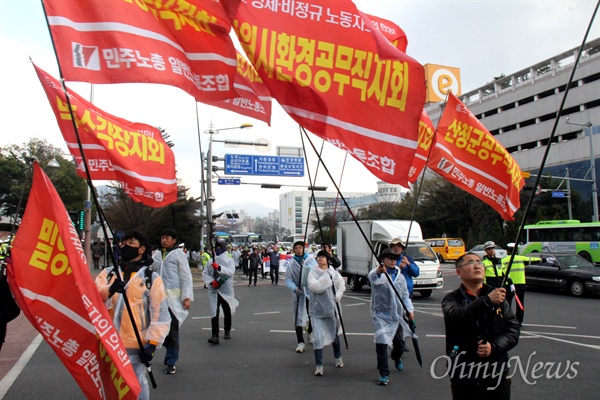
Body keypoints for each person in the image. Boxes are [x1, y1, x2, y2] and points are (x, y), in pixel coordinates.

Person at [95, 230, 170, 400]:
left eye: (131, 243)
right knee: (109, 386)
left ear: (142, 249)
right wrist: (110, 289)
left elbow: (160, 314)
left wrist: (151, 343)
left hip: (135, 344)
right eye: (124, 243)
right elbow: (93, 295)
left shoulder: (152, 278)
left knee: (136, 387)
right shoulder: (109, 274)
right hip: (108, 343)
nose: (125, 246)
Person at [442, 252, 520, 399]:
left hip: (496, 369)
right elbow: (457, 317)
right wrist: (487, 301)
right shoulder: (452, 299)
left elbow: (513, 329)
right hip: (464, 370)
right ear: (459, 271)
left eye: (479, 262)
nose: (477, 265)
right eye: (470, 262)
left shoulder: (498, 296)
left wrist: (494, 347)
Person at [369, 248, 414, 386]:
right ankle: (384, 373)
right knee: (381, 343)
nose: (393, 260)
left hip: (397, 315)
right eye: (389, 258)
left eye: (395, 258)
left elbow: (405, 296)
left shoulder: (400, 277)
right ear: (383, 260)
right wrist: (378, 271)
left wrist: (409, 310)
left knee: (399, 344)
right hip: (380, 315)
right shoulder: (378, 273)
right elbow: (372, 277)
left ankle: (396, 357)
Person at [151, 228, 194, 374]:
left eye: (167, 238)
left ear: (174, 240)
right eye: (162, 237)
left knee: (173, 331)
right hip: (158, 300)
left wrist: (186, 297)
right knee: (159, 329)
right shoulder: (157, 255)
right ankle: (168, 351)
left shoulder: (178, 255)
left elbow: (186, 276)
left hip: (173, 300)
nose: (164, 240)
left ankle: (171, 361)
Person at [308, 250, 346, 376]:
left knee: (333, 334)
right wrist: (326, 277)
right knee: (318, 338)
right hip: (317, 309)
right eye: (318, 256)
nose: (320, 259)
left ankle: (338, 357)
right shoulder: (312, 273)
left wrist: (337, 297)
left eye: (323, 256)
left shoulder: (334, 273)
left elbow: (341, 285)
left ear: (328, 259)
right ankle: (319, 365)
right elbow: (314, 287)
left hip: (331, 309)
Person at [203, 241, 238, 344]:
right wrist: (211, 281)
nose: (217, 249)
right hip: (214, 290)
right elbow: (205, 273)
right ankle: (215, 334)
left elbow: (230, 272)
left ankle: (227, 330)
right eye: (216, 247)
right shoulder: (210, 261)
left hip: (225, 290)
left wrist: (219, 268)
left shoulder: (229, 260)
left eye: (219, 247)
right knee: (214, 311)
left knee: (226, 309)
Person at [285, 240, 317, 353]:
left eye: (301, 248)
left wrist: (307, 268)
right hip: (299, 294)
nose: (299, 250)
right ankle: (300, 342)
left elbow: (316, 273)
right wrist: (295, 288)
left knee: (312, 314)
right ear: (293, 250)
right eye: (296, 248)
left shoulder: (311, 260)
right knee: (298, 317)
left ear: (304, 249)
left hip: (310, 292)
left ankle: (310, 331)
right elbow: (288, 279)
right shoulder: (291, 263)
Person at [502, 244, 538, 325]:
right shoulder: (521, 258)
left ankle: (507, 319)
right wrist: (544, 259)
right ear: (516, 251)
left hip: (509, 284)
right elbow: (533, 259)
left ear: (508, 251)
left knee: (507, 303)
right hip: (520, 284)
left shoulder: (503, 260)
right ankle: (519, 320)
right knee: (520, 303)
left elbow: (503, 272)